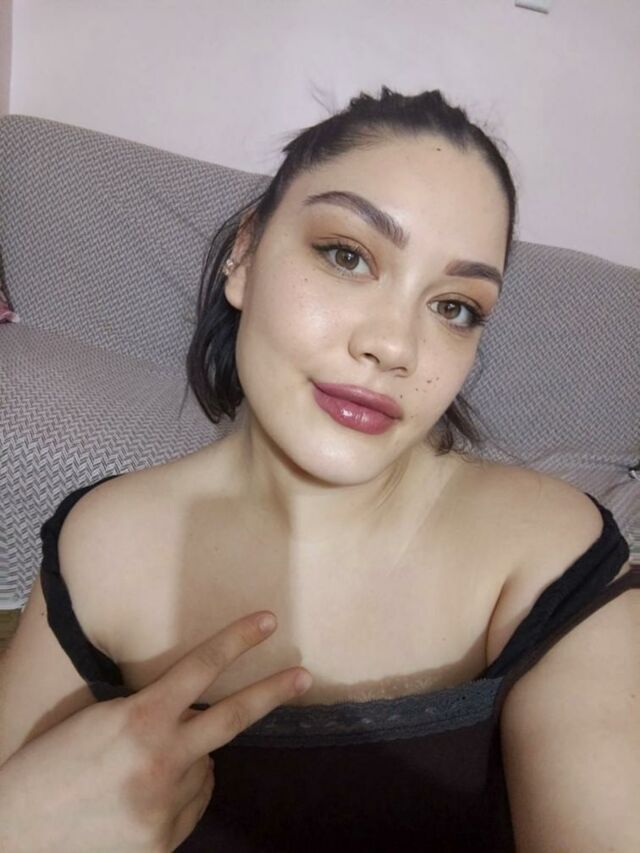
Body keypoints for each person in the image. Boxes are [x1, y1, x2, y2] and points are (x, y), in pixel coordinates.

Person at [0, 86, 638, 852]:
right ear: (244, 255)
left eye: (455, 307)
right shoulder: (97, 545)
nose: (394, 345)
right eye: (347, 255)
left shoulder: (552, 555)